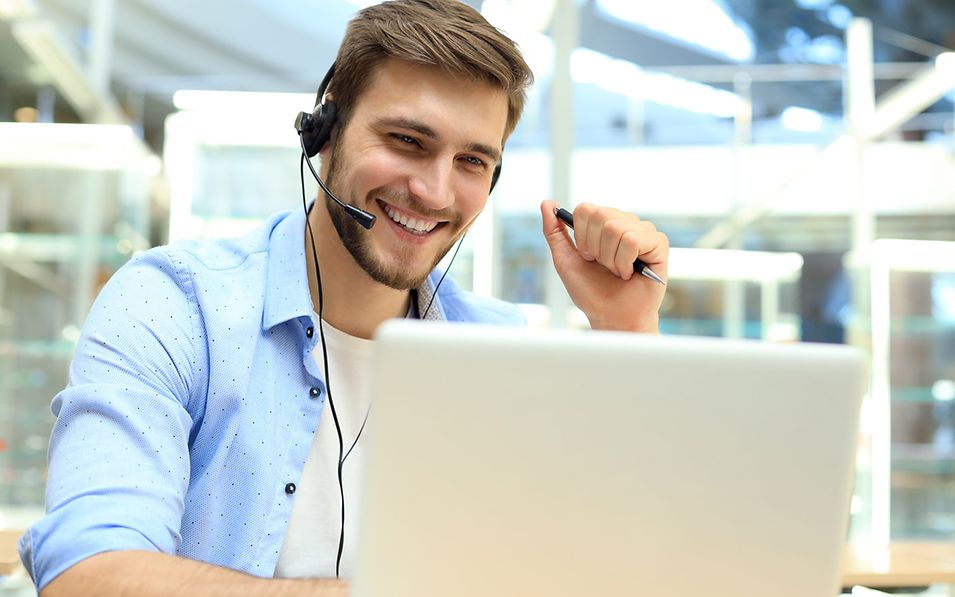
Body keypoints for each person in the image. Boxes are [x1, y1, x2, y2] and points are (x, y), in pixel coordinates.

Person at [19, 1, 669, 595]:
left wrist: (625, 331)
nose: (436, 192)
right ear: (324, 127)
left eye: (471, 161)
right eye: (407, 142)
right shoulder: (176, 305)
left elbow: (613, 563)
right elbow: (88, 575)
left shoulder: (497, 349)